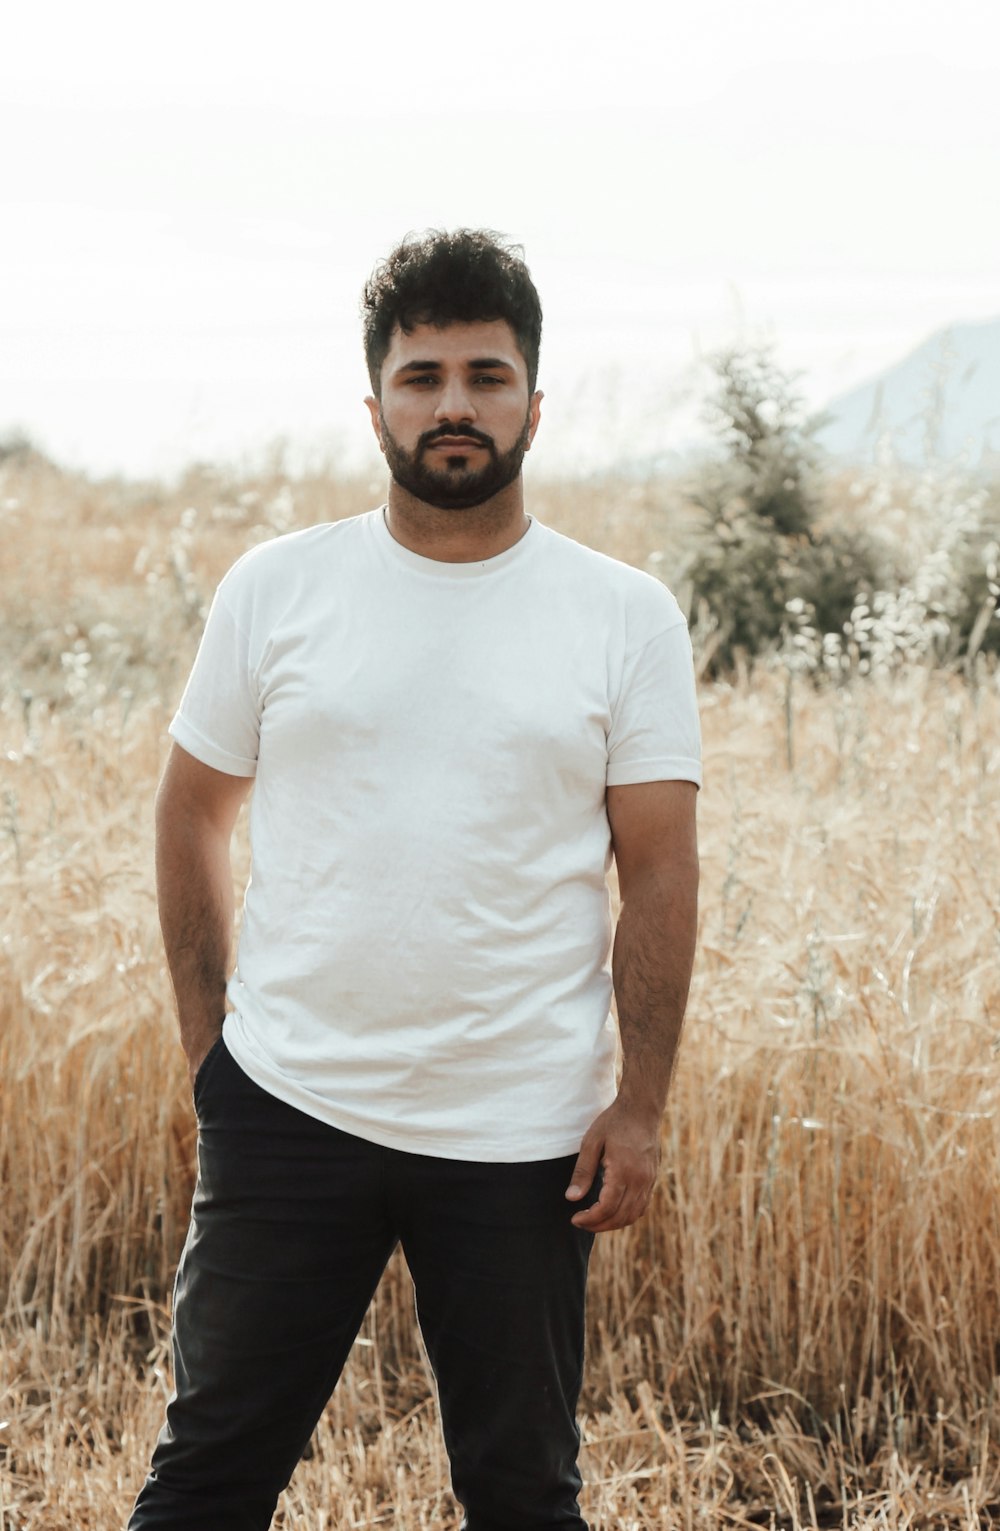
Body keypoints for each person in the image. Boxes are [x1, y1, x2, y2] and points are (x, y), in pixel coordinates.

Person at [128, 228, 701, 1531]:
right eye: (424, 374)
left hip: (521, 1137)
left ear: (535, 405)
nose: (455, 404)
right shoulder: (279, 589)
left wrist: (642, 1101)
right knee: (205, 1482)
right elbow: (190, 814)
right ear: (376, 401)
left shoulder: (622, 615)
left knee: (521, 1496)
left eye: (487, 376)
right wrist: (213, 1050)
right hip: (286, 1109)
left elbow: (660, 874)